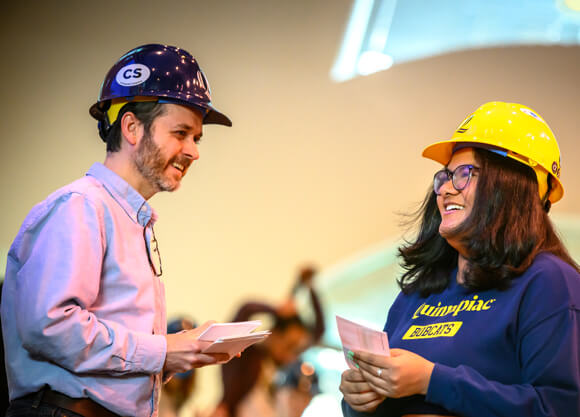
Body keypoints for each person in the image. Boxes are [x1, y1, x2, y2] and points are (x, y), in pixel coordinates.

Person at [1, 43, 233, 417]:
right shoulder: (81, 206)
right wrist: (164, 350)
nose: (194, 151)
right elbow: (49, 326)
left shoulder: (128, 219)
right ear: (131, 127)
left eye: (197, 138)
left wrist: (175, 357)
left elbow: (102, 364)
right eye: (181, 133)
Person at [340, 101, 580, 417]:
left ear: (512, 186)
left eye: (465, 174)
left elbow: (560, 408)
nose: (445, 190)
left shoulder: (549, 282)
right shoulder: (418, 293)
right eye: (445, 176)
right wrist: (359, 399)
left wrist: (431, 381)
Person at [213, 265, 326, 417]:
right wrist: (276, 310)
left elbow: (318, 331)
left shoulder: (276, 369)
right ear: (274, 334)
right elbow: (245, 309)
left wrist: (308, 287)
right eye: (290, 346)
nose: (292, 356)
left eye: (297, 350)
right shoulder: (244, 357)